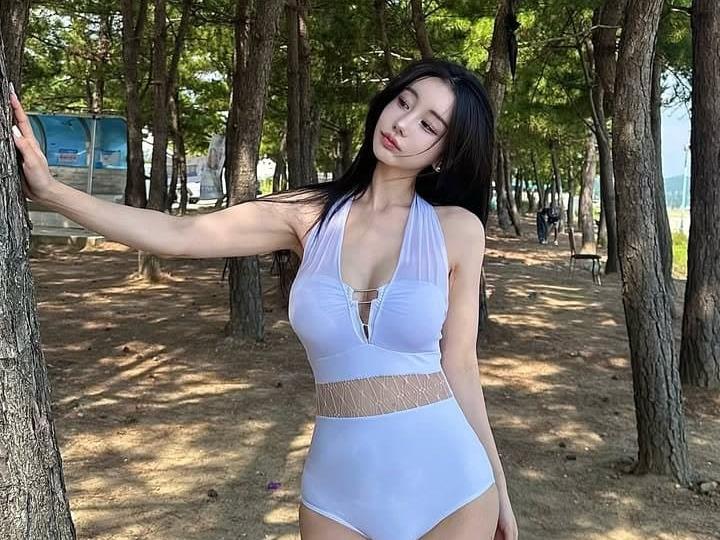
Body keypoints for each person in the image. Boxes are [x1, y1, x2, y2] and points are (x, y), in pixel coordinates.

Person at [10, 58, 518, 540]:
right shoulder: (307, 214)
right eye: (403, 102)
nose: (403, 124)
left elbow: (461, 367)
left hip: (451, 488)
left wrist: (500, 488)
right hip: (339, 498)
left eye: (429, 125)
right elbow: (179, 234)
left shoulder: (457, 230)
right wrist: (52, 191)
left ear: (443, 154)